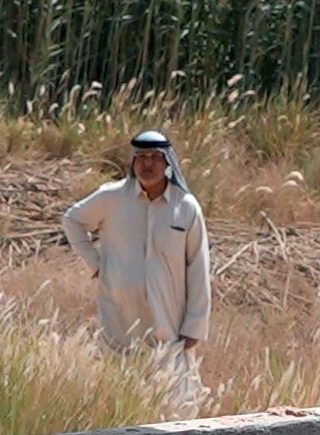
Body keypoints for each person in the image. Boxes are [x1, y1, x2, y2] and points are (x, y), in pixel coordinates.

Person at [68, 120, 216, 415]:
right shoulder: (112, 198)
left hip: (167, 323)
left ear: (167, 162)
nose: (147, 164)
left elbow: (198, 268)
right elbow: (72, 219)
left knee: (175, 410)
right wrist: (96, 264)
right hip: (120, 317)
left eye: (154, 158)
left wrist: (195, 326)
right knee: (118, 404)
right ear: (133, 162)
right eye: (141, 158)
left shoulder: (185, 207)